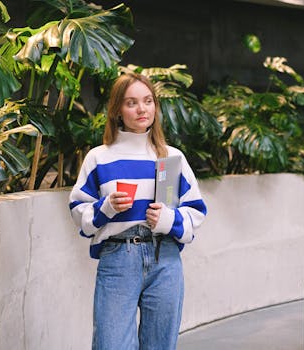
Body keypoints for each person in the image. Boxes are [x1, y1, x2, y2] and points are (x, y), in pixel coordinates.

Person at [68, 72, 207, 350]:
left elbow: (196, 210)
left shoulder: (171, 156)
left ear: (155, 106)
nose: (141, 109)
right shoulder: (99, 157)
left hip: (165, 259)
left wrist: (168, 220)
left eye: (147, 101)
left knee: (160, 345)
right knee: (111, 344)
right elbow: (78, 210)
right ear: (118, 110)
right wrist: (106, 207)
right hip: (119, 258)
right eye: (131, 103)